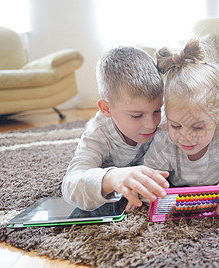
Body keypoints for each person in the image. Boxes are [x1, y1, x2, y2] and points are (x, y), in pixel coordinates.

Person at [143, 38, 219, 217]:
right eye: (176, 125)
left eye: (197, 127)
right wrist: (151, 192)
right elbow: (146, 182)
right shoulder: (164, 137)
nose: (186, 137)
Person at [61, 46, 170, 211]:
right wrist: (111, 177)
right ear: (106, 108)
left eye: (156, 110)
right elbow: (70, 186)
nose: (151, 124)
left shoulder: (164, 121)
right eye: (136, 116)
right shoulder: (98, 134)